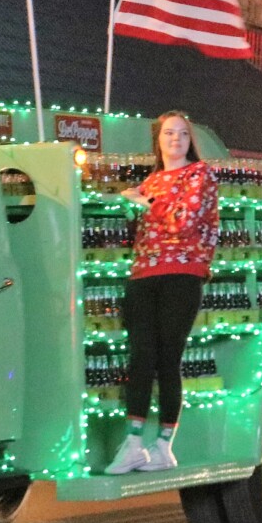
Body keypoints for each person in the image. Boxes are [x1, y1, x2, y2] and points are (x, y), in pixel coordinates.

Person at [104, 111, 220, 474]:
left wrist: (147, 203)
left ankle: (165, 444)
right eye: (169, 133)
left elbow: (184, 221)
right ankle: (133, 442)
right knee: (141, 355)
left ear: (190, 140)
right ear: (158, 139)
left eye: (183, 133)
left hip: (182, 274)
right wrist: (130, 209)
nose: (175, 139)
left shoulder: (199, 174)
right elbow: (141, 233)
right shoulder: (151, 181)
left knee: (169, 357)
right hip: (144, 273)